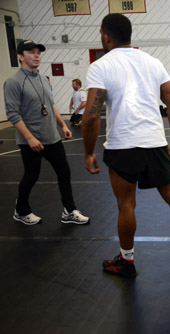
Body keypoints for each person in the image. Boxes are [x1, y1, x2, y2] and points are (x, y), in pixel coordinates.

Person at [82, 14, 170, 278]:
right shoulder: (153, 63)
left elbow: (92, 115)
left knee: (126, 205)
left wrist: (88, 152)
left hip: (122, 147)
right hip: (155, 143)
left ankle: (127, 261)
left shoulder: (101, 66)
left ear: (106, 36)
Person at [3, 40, 89, 225]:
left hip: (52, 137)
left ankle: (69, 211)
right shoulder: (13, 82)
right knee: (31, 176)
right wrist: (30, 138)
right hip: (31, 141)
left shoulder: (43, 79)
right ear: (20, 57)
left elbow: (50, 105)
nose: (36, 55)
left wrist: (63, 126)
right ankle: (21, 210)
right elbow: (12, 114)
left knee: (64, 172)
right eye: (31, 52)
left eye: (38, 52)